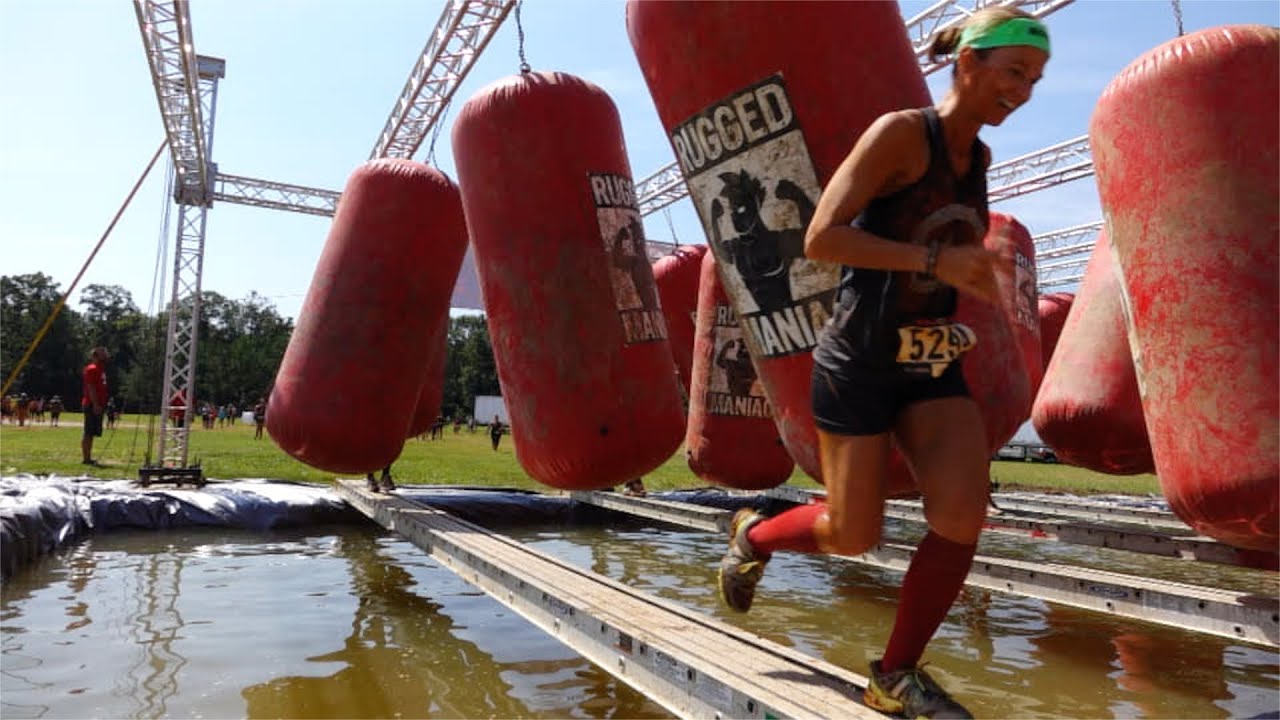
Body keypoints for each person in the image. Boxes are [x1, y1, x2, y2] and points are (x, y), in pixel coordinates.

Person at [714, 9, 1049, 718]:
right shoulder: (902, 134)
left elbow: (952, 251)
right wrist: (936, 259)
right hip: (860, 358)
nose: (1024, 90)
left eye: (1036, 79)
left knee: (961, 513)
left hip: (930, 358)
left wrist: (971, 275)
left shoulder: (979, 161)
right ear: (969, 65)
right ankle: (756, 533)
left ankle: (894, 674)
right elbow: (823, 238)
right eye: (1014, 72)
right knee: (852, 533)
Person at [81, 346, 110, 465]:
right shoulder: (92, 369)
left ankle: (89, 457)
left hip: (99, 404)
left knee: (93, 432)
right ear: (95, 356)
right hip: (92, 404)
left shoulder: (101, 369)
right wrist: (96, 404)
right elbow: (91, 387)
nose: (105, 356)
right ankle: (86, 458)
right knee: (88, 432)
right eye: (102, 354)